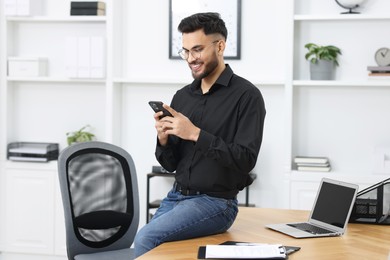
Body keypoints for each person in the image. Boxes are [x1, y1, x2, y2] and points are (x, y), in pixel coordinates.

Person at [134, 12, 266, 257]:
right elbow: (170, 164)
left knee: (146, 239)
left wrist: (195, 134)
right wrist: (163, 138)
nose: (190, 59)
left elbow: (246, 159)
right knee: (145, 247)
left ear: (220, 46)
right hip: (176, 196)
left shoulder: (247, 96)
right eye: (185, 51)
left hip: (216, 203)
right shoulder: (183, 96)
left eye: (197, 50)